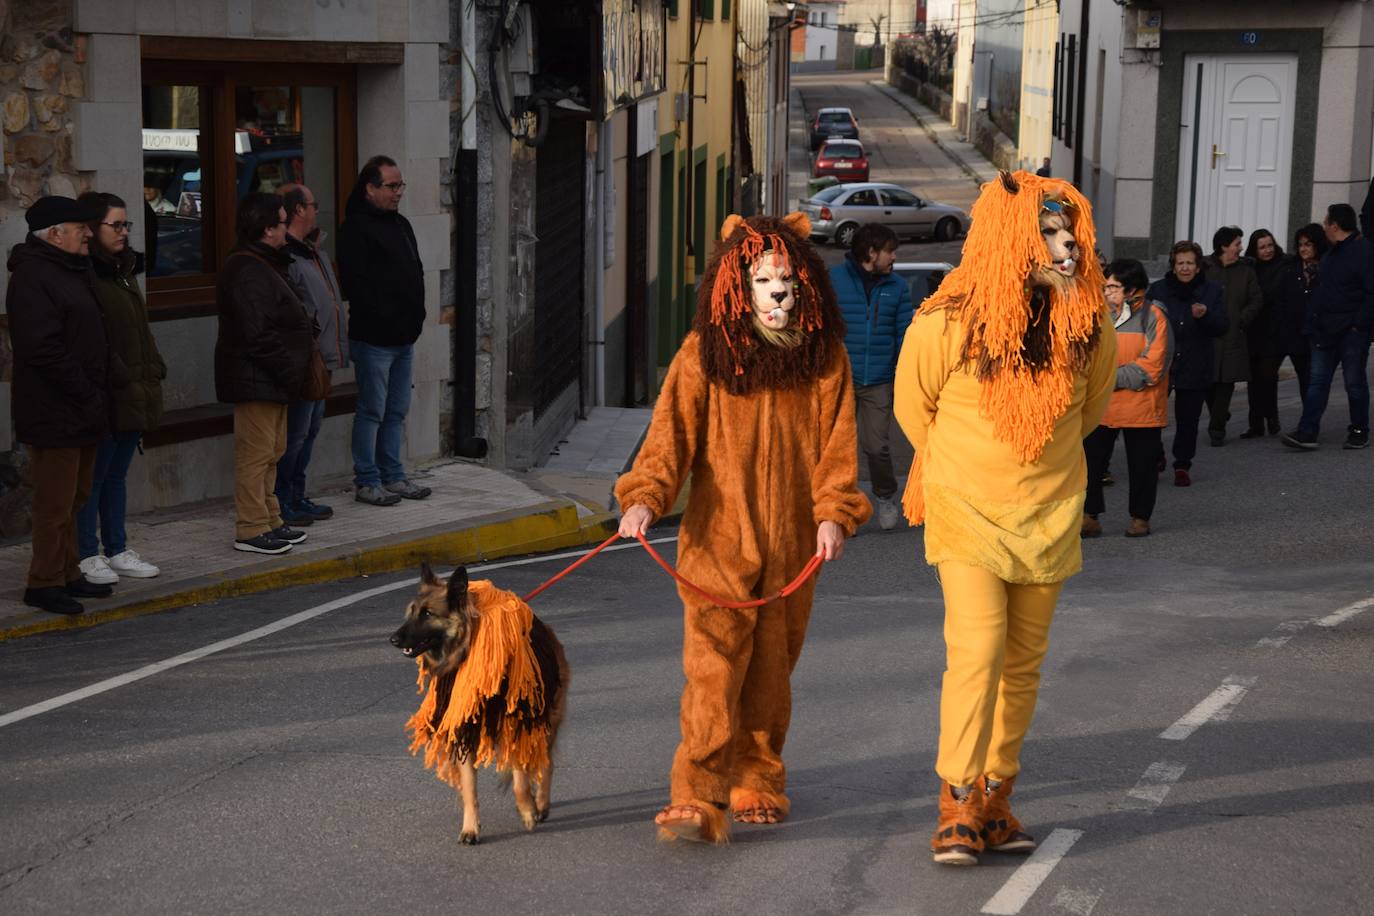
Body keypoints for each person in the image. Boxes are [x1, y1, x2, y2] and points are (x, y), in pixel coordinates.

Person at [615, 213, 870, 844]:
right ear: (739, 287)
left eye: (785, 278)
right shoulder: (704, 355)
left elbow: (839, 448)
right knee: (712, 668)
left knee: (770, 672)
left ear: (804, 282)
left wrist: (835, 512)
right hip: (716, 544)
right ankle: (698, 791)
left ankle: (758, 778)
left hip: (791, 548)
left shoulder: (823, 359)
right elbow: (668, 436)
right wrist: (645, 497)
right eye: (762, 279)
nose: (777, 290)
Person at [893, 173, 1117, 866]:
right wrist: (961, 468)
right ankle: (956, 800)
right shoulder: (946, 318)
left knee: (1023, 663)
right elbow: (912, 409)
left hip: (1049, 510)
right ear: (1012, 239)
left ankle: (995, 797)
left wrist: (1036, 466)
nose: (1066, 248)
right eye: (1049, 235)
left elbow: (1092, 410)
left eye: (1069, 234)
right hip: (964, 507)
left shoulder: (1088, 322)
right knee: (979, 648)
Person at [5, 196, 114, 615]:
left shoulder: (71, 268)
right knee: (54, 503)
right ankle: (43, 581)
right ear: (55, 234)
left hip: (82, 407)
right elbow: (42, 349)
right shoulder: (33, 276)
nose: (89, 233)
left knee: (76, 497)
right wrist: (85, 390)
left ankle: (68, 572)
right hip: (55, 410)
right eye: (80, 227)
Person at [215, 192, 316, 554]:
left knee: (272, 451)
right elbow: (257, 332)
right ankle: (251, 526)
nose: (288, 230)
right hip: (257, 377)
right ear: (267, 228)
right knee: (256, 455)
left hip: (271, 377)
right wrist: (289, 368)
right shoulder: (247, 269)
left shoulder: (264, 263)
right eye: (283, 223)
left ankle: (270, 518)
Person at [74, 192, 165, 585]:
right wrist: (122, 375)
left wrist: (154, 367)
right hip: (109, 391)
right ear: (93, 229)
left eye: (126, 225)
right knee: (94, 477)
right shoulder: (88, 275)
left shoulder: (123, 271)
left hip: (134, 390)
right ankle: (85, 553)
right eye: (116, 225)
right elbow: (97, 338)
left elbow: (138, 329)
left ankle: (117, 548)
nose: (124, 232)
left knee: (115, 475)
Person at [337, 155, 430, 507]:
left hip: (404, 338)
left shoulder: (400, 224)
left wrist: (415, 319)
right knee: (372, 410)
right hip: (374, 339)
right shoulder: (356, 229)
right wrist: (387, 317)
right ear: (370, 189)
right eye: (391, 186)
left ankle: (393, 475)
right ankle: (367, 479)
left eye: (400, 185)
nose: (398, 192)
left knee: (396, 411)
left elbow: (414, 272)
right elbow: (356, 286)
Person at [830, 222, 914, 530]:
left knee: (876, 446)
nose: (893, 258)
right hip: (840, 380)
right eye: (890, 252)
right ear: (871, 252)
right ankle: (840, 508)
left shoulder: (897, 286)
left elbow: (905, 333)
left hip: (879, 379)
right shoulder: (834, 280)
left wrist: (904, 375)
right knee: (838, 449)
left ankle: (884, 495)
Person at [1081, 259, 1172, 539]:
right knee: (1089, 464)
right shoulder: (1096, 316)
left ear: (1132, 290)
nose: (1106, 292)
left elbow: (1153, 367)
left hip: (1142, 408)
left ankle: (1140, 517)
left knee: (1142, 467)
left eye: (1113, 287)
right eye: (1105, 286)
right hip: (1101, 407)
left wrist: (1105, 379)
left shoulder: (1154, 316)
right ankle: (1089, 516)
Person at [275, 183, 348, 527]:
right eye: (313, 204)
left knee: (311, 431)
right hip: (305, 360)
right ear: (299, 210)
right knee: (296, 433)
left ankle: (298, 494)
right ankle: (282, 499)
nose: (316, 210)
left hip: (323, 360)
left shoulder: (313, 250)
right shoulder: (287, 255)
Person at [1281, 203, 1374, 450]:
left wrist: (1358, 324)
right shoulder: (1331, 254)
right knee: (1318, 381)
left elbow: (1371, 292)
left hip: (1351, 330)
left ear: (1335, 225)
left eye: (1326, 223)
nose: (1324, 227)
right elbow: (1323, 290)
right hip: (1325, 329)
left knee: (1354, 381)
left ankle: (1358, 429)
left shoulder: (1364, 252)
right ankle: (1307, 431)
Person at [1147, 242, 1228, 487]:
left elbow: (1222, 326)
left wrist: (1206, 316)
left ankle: (1182, 464)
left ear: (1198, 265)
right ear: (1173, 265)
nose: (1185, 268)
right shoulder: (1158, 290)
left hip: (1196, 361)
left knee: (1188, 420)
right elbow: (1145, 325)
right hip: (1163, 362)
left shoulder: (1211, 290)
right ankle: (1156, 453)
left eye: (1189, 263)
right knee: (1151, 415)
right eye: (1180, 263)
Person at [1201, 226, 1262, 446]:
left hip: (1233, 334)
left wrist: (1242, 319)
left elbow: (1256, 299)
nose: (1241, 248)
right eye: (1237, 243)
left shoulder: (1246, 271)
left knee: (1226, 382)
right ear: (1224, 246)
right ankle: (1220, 412)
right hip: (1207, 333)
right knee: (1208, 381)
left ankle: (1217, 428)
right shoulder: (1204, 267)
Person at [1273, 224, 1328, 411]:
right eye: (1300, 244)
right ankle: (1309, 419)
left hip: (1320, 335)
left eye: (1308, 244)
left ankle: (1310, 420)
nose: (1303, 249)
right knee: (1305, 378)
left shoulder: (1327, 268)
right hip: (1295, 335)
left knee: (1315, 380)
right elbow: (1280, 301)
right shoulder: (1291, 271)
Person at [1239, 228, 1286, 438]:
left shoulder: (1284, 264)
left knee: (1268, 376)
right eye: (1262, 247)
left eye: (1270, 245)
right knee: (1254, 378)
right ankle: (1255, 423)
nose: (1267, 250)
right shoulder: (1250, 268)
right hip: (1254, 330)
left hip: (1275, 330)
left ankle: (1272, 418)